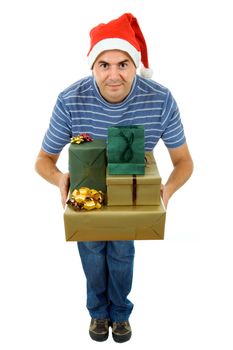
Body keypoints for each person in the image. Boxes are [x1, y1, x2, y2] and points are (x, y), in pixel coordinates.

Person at [35, 13, 193, 343]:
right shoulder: (70, 100)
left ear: (136, 65)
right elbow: (43, 160)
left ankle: (120, 313)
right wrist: (60, 178)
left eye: (123, 64)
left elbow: (183, 162)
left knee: (122, 249)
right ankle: (97, 313)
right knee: (92, 248)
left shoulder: (160, 100)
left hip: (130, 192)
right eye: (104, 65)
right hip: (87, 194)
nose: (114, 75)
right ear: (92, 66)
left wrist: (165, 192)